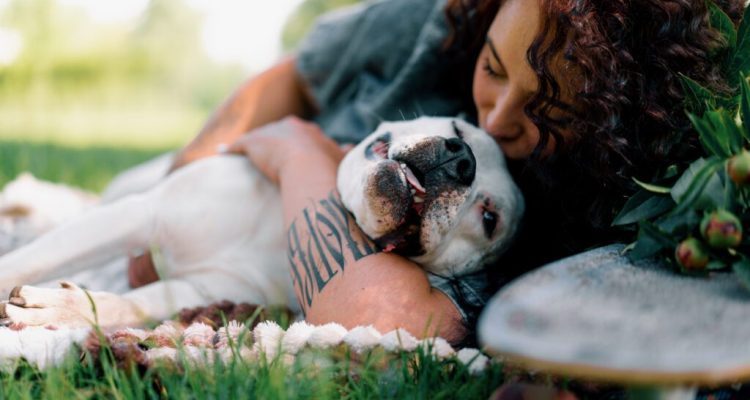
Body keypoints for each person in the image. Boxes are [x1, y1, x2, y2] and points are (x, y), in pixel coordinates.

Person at [128, 0, 746, 348]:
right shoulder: (438, 21)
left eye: (549, 110)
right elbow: (295, 75)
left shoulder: (579, 234)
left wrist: (299, 156)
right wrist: (185, 173)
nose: (497, 116)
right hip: (220, 195)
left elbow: (373, 324)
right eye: (495, 69)